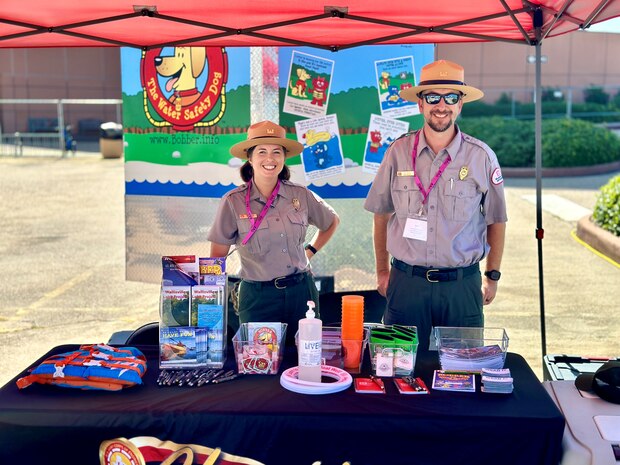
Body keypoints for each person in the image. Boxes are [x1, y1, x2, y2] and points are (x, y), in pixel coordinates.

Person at [364, 60, 507, 351]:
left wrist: (492, 276)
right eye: (432, 97)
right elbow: (381, 214)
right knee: (398, 368)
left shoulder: (481, 157)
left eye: (451, 97)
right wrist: (381, 271)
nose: (441, 105)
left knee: (463, 372)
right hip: (406, 284)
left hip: (461, 287)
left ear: (460, 105)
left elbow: (496, 220)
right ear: (420, 104)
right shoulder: (398, 153)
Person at [208, 120, 340, 342]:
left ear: (284, 158)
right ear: (249, 158)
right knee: (258, 365)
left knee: (305, 359)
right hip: (258, 298)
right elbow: (216, 258)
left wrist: (310, 251)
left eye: (276, 152)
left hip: (302, 293)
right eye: (262, 152)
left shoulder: (301, 195)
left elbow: (331, 221)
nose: (270, 159)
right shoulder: (233, 202)